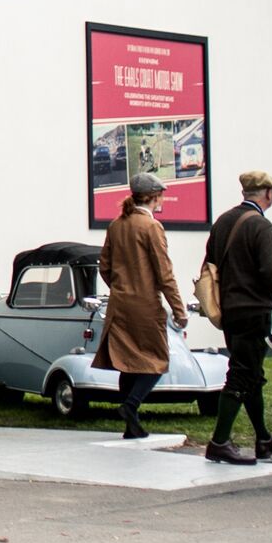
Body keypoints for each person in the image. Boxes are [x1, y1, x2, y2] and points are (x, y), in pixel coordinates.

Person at [203, 170, 272, 465]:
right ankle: (219, 441)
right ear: (267, 193)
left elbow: (210, 261)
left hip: (229, 308)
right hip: (254, 309)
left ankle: (264, 438)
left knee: (253, 374)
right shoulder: (261, 226)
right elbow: (270, 271)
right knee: (242, 374)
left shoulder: (224, 221)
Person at [95, 173, 186, 440]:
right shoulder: (152, 227)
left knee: (128, 363)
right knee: (157, 361)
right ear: (153, 196)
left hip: (119, 304)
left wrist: (119, 287)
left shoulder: (116, 224)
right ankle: (131, 405)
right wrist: (179, 310)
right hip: (145, 305)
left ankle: (131, 426)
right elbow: (164, 273)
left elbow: (104, 267)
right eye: (161, 196)